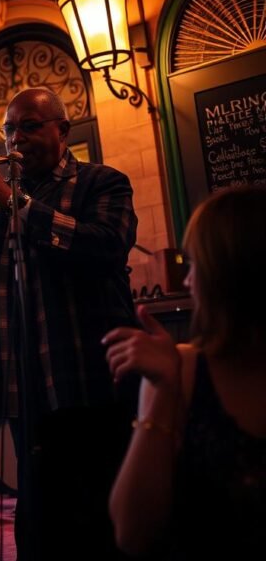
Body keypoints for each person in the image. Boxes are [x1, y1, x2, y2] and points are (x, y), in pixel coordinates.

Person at [0, 88, 137, 560]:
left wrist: (12, 201)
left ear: (63, 130)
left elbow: (104, 247)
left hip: (89, 380)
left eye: (30, 126)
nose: (17, 139)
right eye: (10, 129)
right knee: (37, 520)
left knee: (98, 516)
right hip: (22, 387)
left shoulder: (103, 183)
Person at [104, 187, 266, 560]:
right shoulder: (183, 369)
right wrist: (162, 389)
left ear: (233, 274)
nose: (188, 281)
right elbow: (131, 533)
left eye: (195, 265)